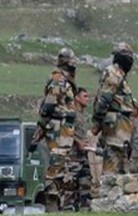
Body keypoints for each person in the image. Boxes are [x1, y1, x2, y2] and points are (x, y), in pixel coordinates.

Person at [38, 48, 78, 212]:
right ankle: (51, 204)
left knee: (62, 167)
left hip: (64, 128)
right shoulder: (58, 79)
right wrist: (41, 126)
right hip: (57, 127)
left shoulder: (66, 80)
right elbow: (49, 105)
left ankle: (58, 204)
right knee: (56, 167)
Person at [92, 42, 138, 174]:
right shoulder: (113, 72)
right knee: (111, 169)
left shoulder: (120, 76)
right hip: (115, 128)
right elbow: (104, 99)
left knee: (121, 169)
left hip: (122, 129)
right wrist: (98, 121)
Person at [70, 86, 96, 210]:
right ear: (77, 97)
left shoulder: (83, 115)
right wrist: (77, 143)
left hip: (83, 155)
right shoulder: (71, 113)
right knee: (70, 186)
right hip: (72, 156)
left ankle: (85, 209)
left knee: (85, 184)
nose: (88, 99)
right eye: (85, 96)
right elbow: (66, 131)